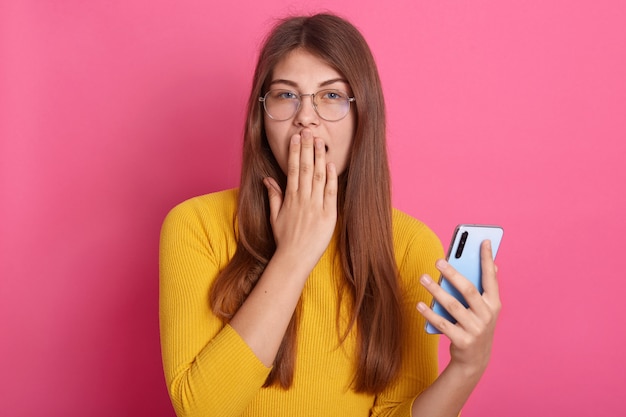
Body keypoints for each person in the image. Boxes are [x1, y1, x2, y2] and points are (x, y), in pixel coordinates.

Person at [159, 12, 501, 417]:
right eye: (286, 95)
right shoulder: (195, 225)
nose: (306, 116)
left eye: (331, 96)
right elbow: (201, 411)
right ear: (261, 117)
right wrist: (295, 254)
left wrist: (468, 367)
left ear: (362, 118)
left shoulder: (409, 246)